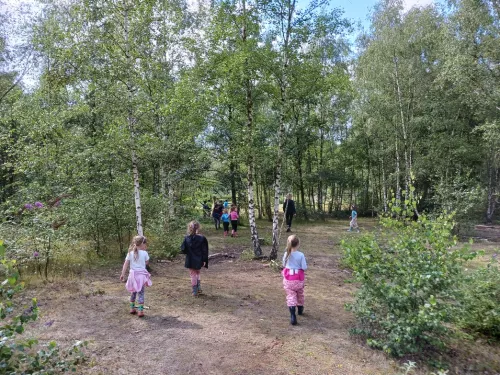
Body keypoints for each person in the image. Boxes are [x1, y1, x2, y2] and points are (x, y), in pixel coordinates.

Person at [120, 235, 152, 317]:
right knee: (141, 293)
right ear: (142, 244)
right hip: (140, 276)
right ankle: (140, 311)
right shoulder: (145, 253)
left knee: (133, 292)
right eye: (145, 244)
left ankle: (132, 308)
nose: (146, 246)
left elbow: (125, 264)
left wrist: (122, 274)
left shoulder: (130, 253)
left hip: (132, 276)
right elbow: (147, 262)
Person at [282, 234, 307, 325]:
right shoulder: (301, 255)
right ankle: (300, 308)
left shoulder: (286, 254)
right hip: (298, 279)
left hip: (288, 279)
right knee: (300, 293)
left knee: (291, 295)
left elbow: (284, 265)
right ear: (298, 244)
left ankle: (293, 315)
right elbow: (304, 267)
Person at [180, 221, 209, 296]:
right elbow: (205, 250)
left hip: (190, 259)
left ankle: (194, 291)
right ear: (198, 228)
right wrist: (204, 260)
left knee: (193, 274)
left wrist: (187, 251)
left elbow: (183, 249)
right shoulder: (202, 238)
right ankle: (198, 288)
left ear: (189, 228)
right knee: (197, 272)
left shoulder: (186, 238)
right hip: (199, 259)